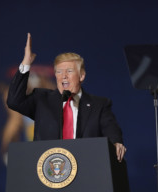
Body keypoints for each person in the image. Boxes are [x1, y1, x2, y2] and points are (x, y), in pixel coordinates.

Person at [7, 33, 126, 162]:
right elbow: (14, 101)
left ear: (81, 76)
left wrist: (116, 143)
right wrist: (26, 63)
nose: (63, 76)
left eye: (69, 71)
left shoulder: (99, 105)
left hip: (87, 170)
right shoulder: (41, 99)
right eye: (59, 71)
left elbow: (111, 129)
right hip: (49, 173)